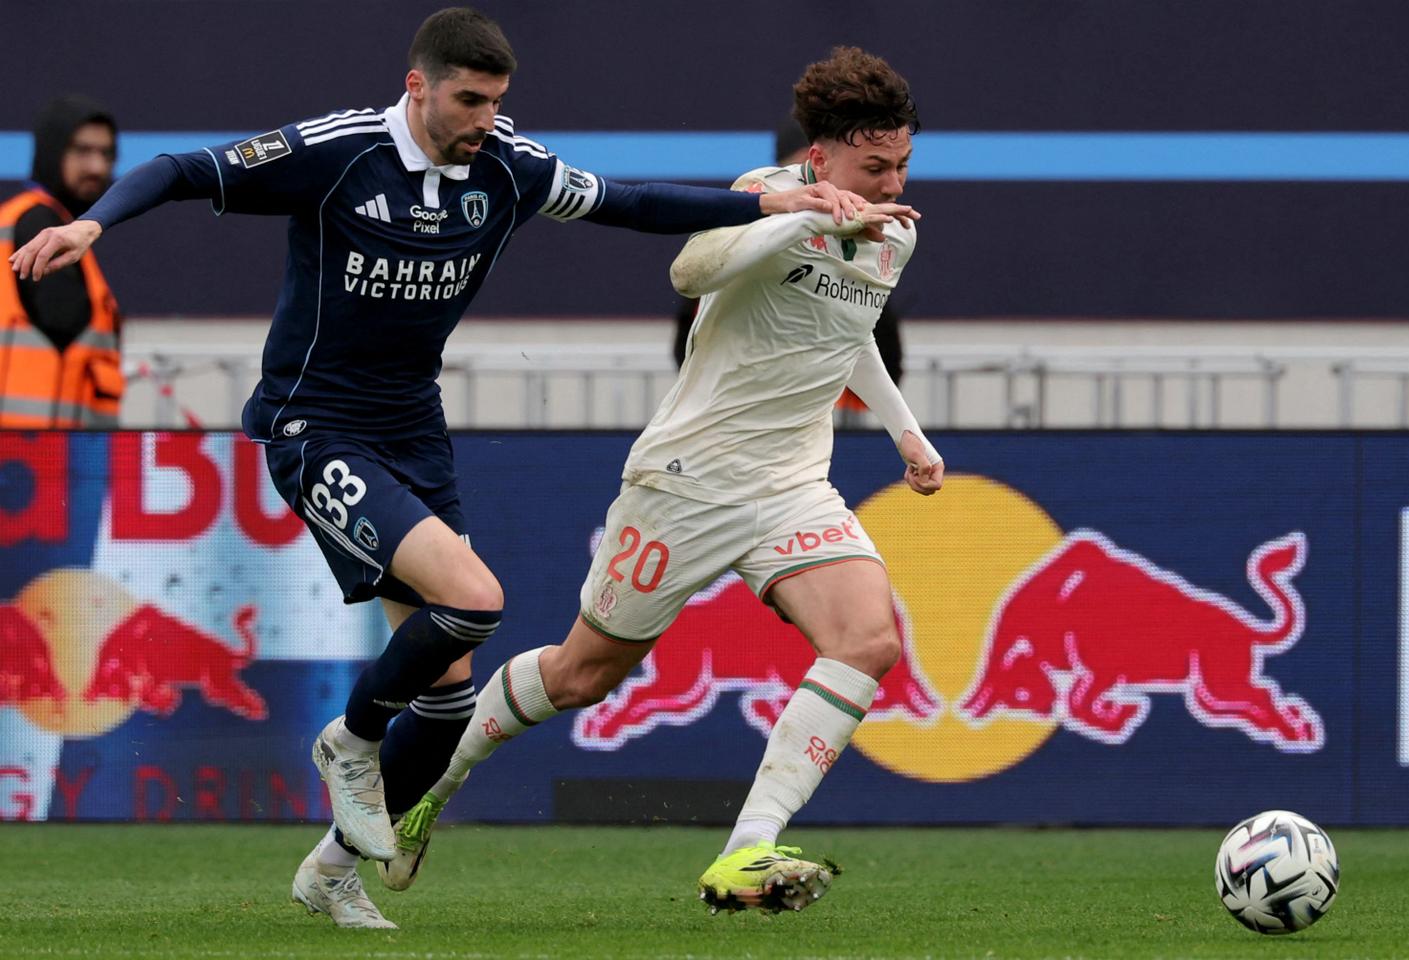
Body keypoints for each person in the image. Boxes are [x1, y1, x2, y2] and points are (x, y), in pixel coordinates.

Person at [8, 8, 862, 930]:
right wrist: (94, 224)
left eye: (496, 101)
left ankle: (332, 871)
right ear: (417, 86)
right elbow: (184, 169)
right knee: (476, 598)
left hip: (413, 431)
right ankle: (350, 742)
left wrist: (768, 205)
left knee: (451, 698)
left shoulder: (507, 167)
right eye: (468, 100)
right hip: (315, 426)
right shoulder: (338, 153)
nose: (484, 119)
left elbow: (631, 203)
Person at [395, 45, 941, 915]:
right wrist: (800, 219)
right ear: (820, 157)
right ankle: (430, 783)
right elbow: (689, 271)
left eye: (902, 164)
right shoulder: (765, 194)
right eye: (875, 167)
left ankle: (747, 848)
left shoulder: (895, 231)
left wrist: (908, 434)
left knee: (868, 640)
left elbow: (849, 336)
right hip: (688, 481)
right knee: (581, 675)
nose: (892, 184)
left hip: (791, 485)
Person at [673, 119, 905, 421]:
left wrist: (901, 427)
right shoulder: (748, 221)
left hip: (833, 417)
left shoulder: (876, 244)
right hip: (736, 414)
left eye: (901, 166)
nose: (817, 182)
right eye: (803, 165)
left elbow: (863, 339)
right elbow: (687, 283)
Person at [0, 96, 122, 428]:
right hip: (36, 447)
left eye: (105, 154)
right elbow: (63, 321)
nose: (97, 167)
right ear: (53, 152)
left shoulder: (31, 220)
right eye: (82, 151)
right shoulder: (41, 225)